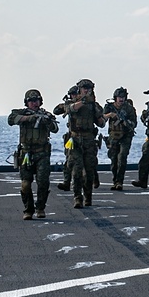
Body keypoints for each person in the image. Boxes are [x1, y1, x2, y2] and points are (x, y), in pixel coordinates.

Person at [53, 79, 107, 208]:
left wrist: (101, 116)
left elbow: (101, 123)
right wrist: (83, 101)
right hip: (75, 140)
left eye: (89, 88)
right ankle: (78, 197)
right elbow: (69, 109)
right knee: (76, 171)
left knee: (89, 172)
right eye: (84, 88)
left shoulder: (94, 105)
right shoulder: (72, 102)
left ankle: (88, 197)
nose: (86, 90)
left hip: (89, 140)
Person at [7, 89, 59, 220]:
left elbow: (55, 129)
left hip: (42, 153)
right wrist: (29, 118)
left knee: (43, 182)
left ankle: (40, 207)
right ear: (26, 102)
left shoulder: (46, 115)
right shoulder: (21, 113)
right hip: (26, 154)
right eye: (31, 101)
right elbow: (11, 119)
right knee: (25, 184)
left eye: (36, 101)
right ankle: (28, 209)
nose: (34, 103)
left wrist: (47, 122)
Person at [103, 87, 137, 191]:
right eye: (119, 97)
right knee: (114, 159)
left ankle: (119, 182)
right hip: (113, 135)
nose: (121, 99)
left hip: (126, 136)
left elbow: (134, 123)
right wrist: (110, 115)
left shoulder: (129, 108)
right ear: (115, 98)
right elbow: (101, 118)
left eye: (123, 97)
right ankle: (115, 180)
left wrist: (125, 122)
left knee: (122, 157)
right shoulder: (109, 107)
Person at [54, 85, 80, 193]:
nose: (73, 97)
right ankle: (66, 182)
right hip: (72, 138)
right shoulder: (69, 105)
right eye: (72, 95)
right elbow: (56, 110)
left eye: (75, 94)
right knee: (69, 162)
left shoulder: (86, 104)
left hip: (85, 137)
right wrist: (65, 106)